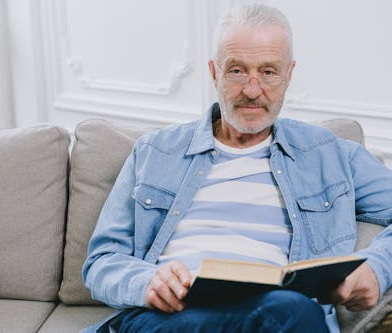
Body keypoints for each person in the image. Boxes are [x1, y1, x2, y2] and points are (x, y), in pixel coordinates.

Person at [82, 3, 392, 333]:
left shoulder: (329, 154)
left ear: (289, 74)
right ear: (215, 72)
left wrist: (378, 266)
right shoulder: (154, 152)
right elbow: (101, 262)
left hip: (277, 313)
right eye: (237, 70)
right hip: (170, 318)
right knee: (291, 314)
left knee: (288, 311)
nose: (252, 90)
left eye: (269, 72)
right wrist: (148, 281)